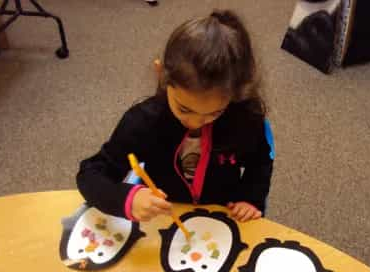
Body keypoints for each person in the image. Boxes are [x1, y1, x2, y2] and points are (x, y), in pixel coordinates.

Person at [77, 10, 274, 223]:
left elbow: (260, 161)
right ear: (161, 75)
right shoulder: (143, 121)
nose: (196, 122)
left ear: (235, 94)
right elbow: (90, 175)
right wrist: (128, 199)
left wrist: (250, 199)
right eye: (185, 109)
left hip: (220, 214)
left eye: (214, 113)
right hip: (164, 216)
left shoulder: (243, 117)